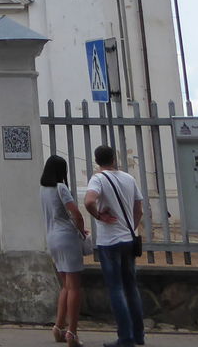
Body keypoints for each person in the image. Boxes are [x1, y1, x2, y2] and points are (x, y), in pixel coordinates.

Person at [84, 145, 144, 347]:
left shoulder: (98, 179)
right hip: (129, 238)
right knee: (131, 286)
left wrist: (99, 216)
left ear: (97, 160)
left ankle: (125, 338)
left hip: (109, 241)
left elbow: (89, 201)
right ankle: (138, 335)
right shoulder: (129, 178)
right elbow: (139, 208)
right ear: (114, 158)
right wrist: (131, 227)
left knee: (116, 288)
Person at [41, 154, 90, 347]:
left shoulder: (43, 190)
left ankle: (59, 326)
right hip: (67, 238)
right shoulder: (61, 188)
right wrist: (81, 230)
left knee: (65, 285)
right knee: (75, 287)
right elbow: (76, 213)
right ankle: (72, 332)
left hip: (52, 237)